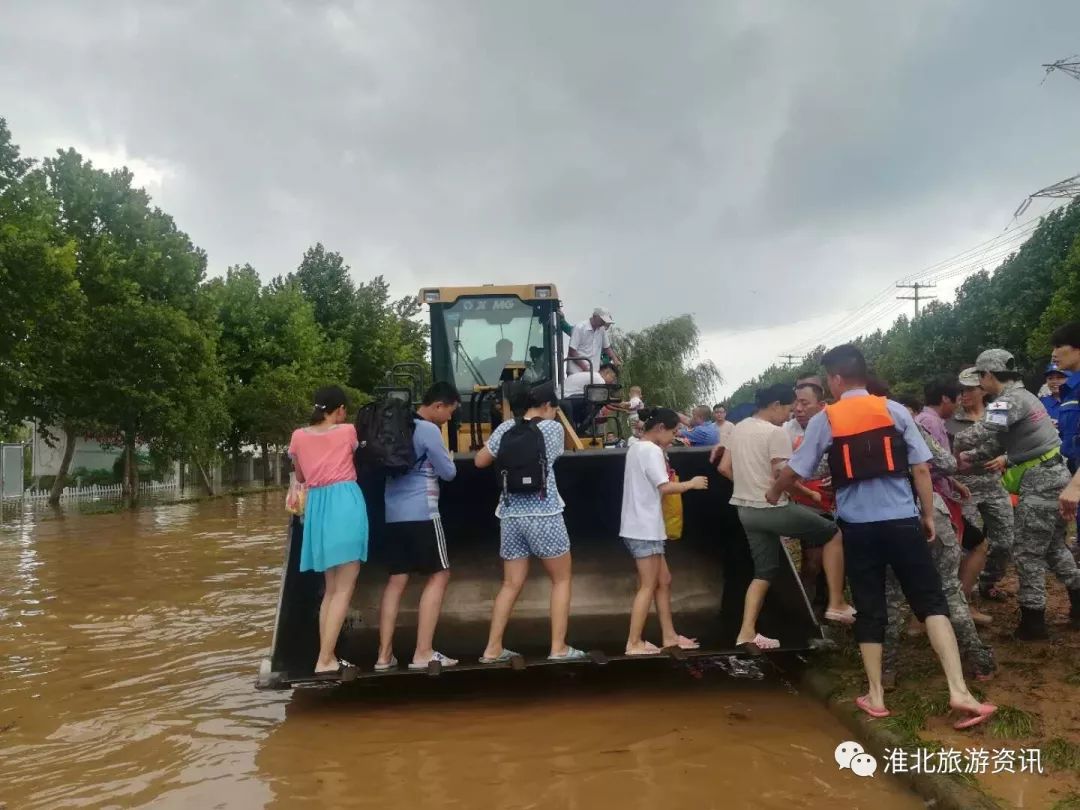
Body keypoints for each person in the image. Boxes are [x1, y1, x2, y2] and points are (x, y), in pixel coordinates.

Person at [768, 344, 995, 728]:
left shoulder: (828, 419)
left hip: (859, 528)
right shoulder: (892, 410)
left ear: (836, 379)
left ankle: (875, 695)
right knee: (931, 601)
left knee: (872, 609)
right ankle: (959, 692)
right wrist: (926, 515)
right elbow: (922, 469)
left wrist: (774, 493)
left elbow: (797, 469)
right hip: (902, 520)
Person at [718, 383, 855, 652]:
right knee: (832, 533)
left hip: (746, 511)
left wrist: (749, 485)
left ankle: (747, 633)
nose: (791, 415)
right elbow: (784, 475)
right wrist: (810, 495)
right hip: (772, 510)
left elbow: (724, 467)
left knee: (764, 572)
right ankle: (837, 602)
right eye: (789, 409)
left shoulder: (738, 428)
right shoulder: (775, 432)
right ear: (775, 406)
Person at [962, 349, 1080, 638]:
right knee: (1053, 547)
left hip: (1041, 482)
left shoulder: (1008, 401)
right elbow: (994, 445)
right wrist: (968, 457)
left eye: (980, 377)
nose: (979, 384)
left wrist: (950, 442)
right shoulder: (1023, 397)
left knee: (1027, 553)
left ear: (989, 375)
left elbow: (980, 433)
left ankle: (1033, 623)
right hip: (1051, 478)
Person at [884, 393, 995, 685]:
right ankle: (980, 662)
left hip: (886, 517)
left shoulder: (845, 427)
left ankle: (886, 672)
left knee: (892, 596)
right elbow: (945, 461)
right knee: (949, 588)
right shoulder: (904, 422)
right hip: (931, 510)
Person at [474, 381, 586, 663]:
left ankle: (492, 648)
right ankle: (558, 647)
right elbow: (556, 457)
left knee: (510, 584)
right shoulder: (553, 429)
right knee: (561, 580)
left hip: (510, 515)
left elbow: (480, 461)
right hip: (544, 514)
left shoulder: (504, 428)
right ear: (548, 406)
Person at [376, 382, 462, 671]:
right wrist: (448, 458)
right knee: (440, 575)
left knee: (396, 581)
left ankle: (384, 656)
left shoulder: (396, 425)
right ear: (438, 405)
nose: (449, 418)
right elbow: (448, 474)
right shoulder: (428, 430)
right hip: (423, 513)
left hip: (393, 514)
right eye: (449, 411)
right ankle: (423, 652)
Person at [287, 385, 369, 678]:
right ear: (340, 410)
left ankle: (328, 656)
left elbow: (301, 476)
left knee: (331, 589)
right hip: (344, 504)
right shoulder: (347, 431)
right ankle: (325, 660)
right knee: (344, 588)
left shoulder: (297, 436)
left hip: (318, 509)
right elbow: (359, 456)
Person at [621, 407, 709, 655]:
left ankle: (669, 636)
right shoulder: (651, 451)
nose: (674, 437)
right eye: (673, 431)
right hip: (644, 528)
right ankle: (634, 642)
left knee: (663, 580)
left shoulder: (638, 447)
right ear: (660, 428)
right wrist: (691, 484)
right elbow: (665, 487)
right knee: (648, 585)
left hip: (644, 526)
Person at [946, 367, 1015, 604]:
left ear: (983, 390)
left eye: (970, 389)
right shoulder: (951, 420)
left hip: (994, 485)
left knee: (1005, 540)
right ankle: (968, 593)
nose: (964, 394)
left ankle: (989, 580)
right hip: (964, 487)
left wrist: (1005, 458)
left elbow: (1014, 441)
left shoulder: (998, 412)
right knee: (971, 543)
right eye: (961, 389)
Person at [783, 380, 834, 607]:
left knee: (835, 559)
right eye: (796, 403)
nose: (798, 409)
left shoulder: (834, 425)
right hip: (807, 506)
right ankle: (808, 610)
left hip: (836, 505)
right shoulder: (786, 429)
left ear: (821, 404)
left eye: (805, 403)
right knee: (812, 562)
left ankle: (832, 603)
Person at [567, 308, 622, 373]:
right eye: (602, 320)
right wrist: (585, 368)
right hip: (576, 371)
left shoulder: (602, 330)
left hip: (593, 373)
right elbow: (572, 351)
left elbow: (607, 348)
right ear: (594, 316)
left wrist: (615, 359)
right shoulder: (579, 327)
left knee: (601, 381)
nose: (603, 323)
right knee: (600, 381)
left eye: (604, 321)